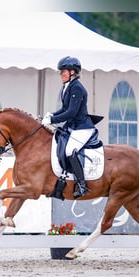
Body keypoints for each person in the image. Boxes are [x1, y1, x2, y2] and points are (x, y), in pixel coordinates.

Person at [42, 56, 97, 198]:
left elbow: (71, 112)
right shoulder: (67, 87)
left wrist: (53, 120)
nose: (61, 74)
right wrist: (51, 115)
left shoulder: (77, 88)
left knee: (70, 151)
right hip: (73, 126)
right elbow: (64, 108)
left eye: (63, 71)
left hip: (82, 127)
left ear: (73, 72)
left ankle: (82, 185)